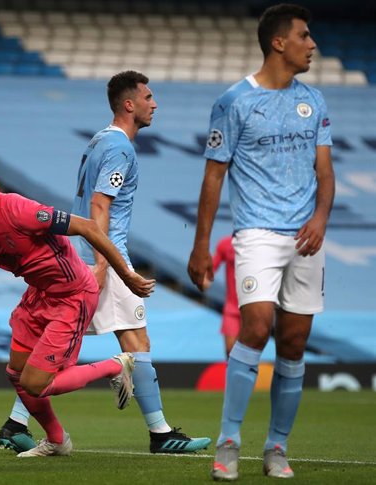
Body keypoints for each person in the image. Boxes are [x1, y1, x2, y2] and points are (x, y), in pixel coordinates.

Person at [0, 70, 211, 455]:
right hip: (101, 256)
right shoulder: (120, 148)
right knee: (135, 340)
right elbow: (100, 204)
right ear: (129, 104)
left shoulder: (99, 140)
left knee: (59, 350)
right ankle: (160, 434)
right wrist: (105, 262)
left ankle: (15, 422)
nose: (154, 103)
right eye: (148, 97)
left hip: (72, 256)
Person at [0, 156, 156, 457]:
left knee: (35, 383)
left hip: (73, 295)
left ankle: (116, 365)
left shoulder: (22, 211)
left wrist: (126, 275)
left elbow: (88, 227)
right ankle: (57, 440)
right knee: (16, 373)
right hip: (39, 294)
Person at [187, 4, 334, 481]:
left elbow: (325, 173)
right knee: (256, 326)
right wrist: (201, 245)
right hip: (255, 233)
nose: (311, 44)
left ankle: (277, 447)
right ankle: (229, 442)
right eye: (304, 36)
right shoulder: (234, 102)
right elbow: (213, 179)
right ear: (278, 42)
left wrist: (320, 219)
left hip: (306, 238)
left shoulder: (315, 101)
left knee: (294, 342)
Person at [210, 234, 241, 358]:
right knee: (230, 350)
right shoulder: (225, 244)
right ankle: (231, 376)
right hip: (232, 309)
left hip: (252, 308)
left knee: (248, 352)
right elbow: (211, 268)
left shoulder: (259, 243)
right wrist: (205, 278)